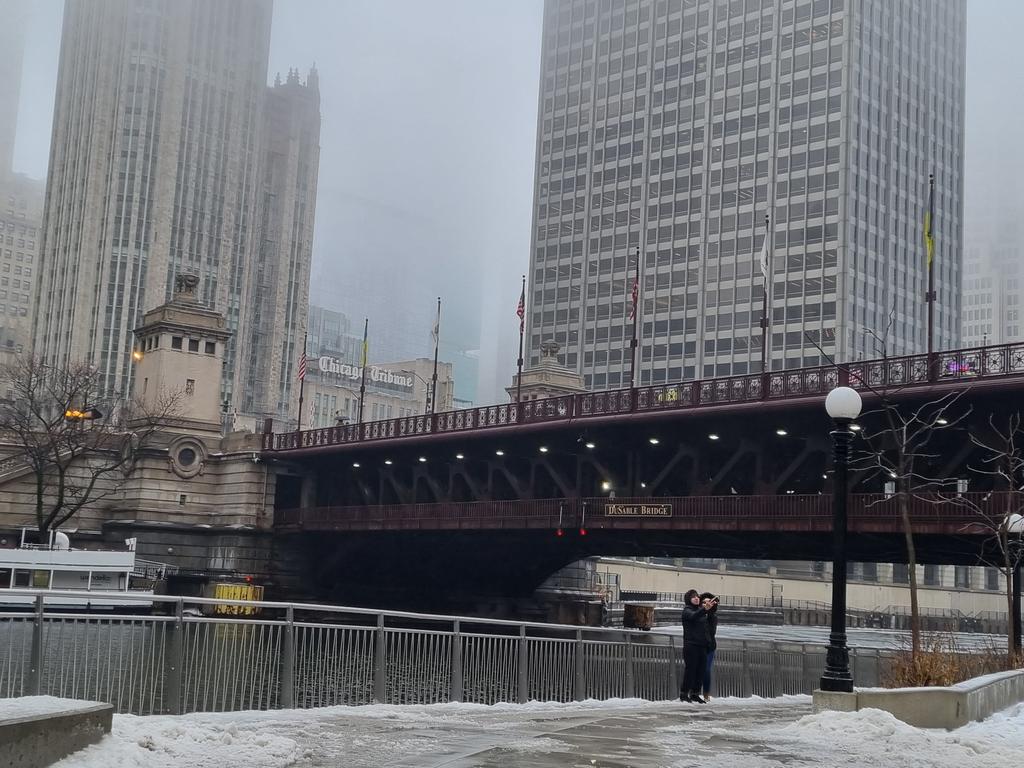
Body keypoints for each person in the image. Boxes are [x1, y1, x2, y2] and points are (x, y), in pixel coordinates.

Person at [679, 589, 716, 703]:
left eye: (697, 596)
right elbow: (693, 616)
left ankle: (695, 693)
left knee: (701, 670)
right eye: (693, 597)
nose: (696, 598)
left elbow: (708, 629)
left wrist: (710, 609)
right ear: (688, 599)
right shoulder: (687, 611)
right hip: (691, 645)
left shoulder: (701, 611)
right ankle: (684, 693)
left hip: (702, 646)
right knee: (691, 670)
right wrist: (705, 609)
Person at [700, 592, 719, 701]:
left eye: (708, 602)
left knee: (706, 670)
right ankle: (694, 692)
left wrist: (707, 614)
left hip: (709, 647)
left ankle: (706, 693)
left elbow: (711, 632)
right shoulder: (697, 613)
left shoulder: (712, 616)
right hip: (697, 645)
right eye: (703, 602)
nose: (705, 604)